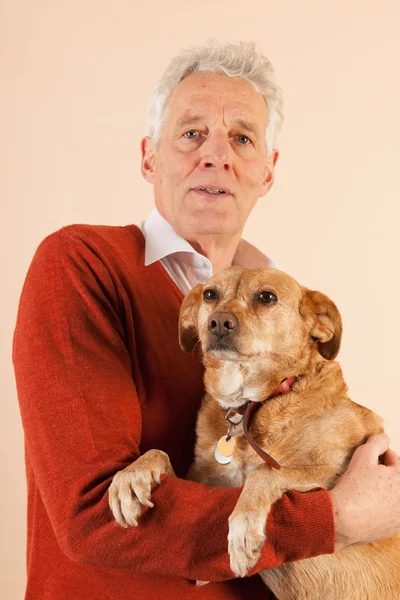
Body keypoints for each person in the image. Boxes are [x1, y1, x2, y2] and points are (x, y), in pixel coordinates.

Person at [13, 40, 400, 600]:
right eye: (192, 133)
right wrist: (337, 518)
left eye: (242, 138)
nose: (216, 155)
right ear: (149, 156)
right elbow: (93, 514)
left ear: (267, 172)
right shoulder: (81, 264)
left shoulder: (283, 306)